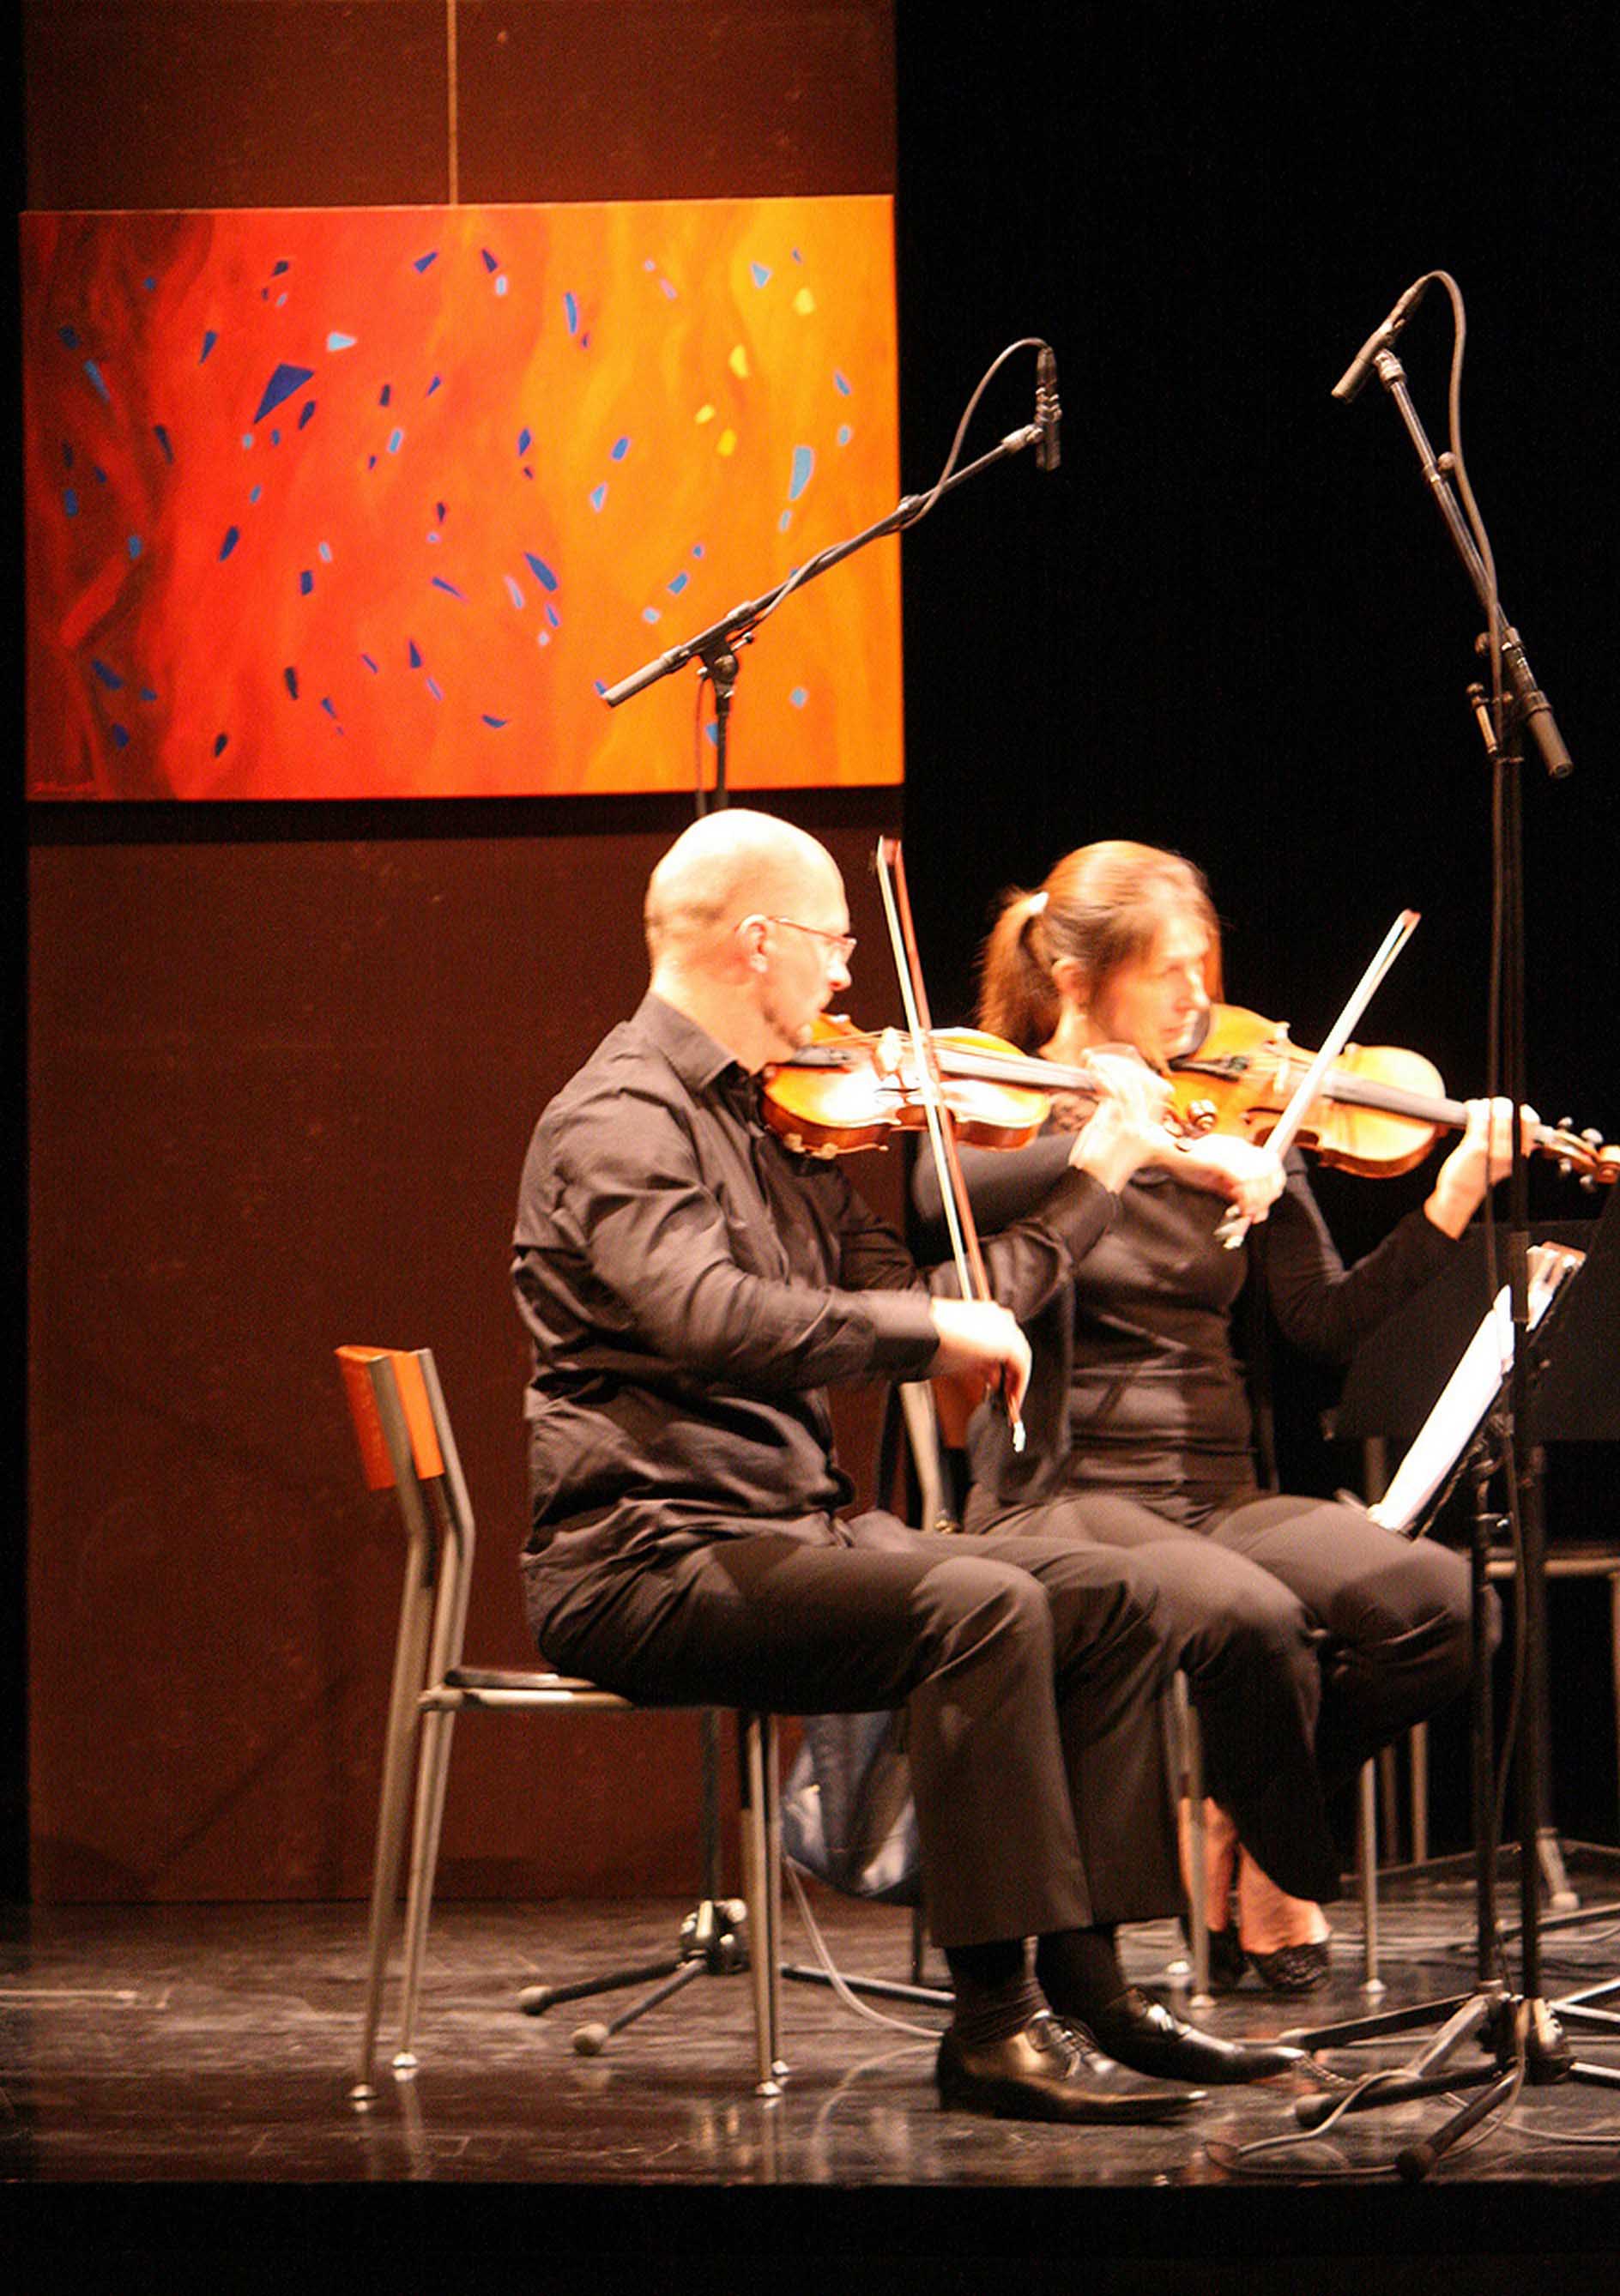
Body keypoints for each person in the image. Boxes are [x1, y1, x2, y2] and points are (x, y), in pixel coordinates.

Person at [512, 807, 1314, 2125]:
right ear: (757, 943)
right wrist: (929, 1332)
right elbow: (705, 1317)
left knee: (1111, 1598)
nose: (848, 976)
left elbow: (944, 1300)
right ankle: (992, 2029)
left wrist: (1098, 1176)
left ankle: (1097, 1987)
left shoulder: (779, 1126)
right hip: (647, 1555)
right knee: (980, 1603)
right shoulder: (619, 1115)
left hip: (791, 1535)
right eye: (833, 945)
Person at [917, 838, 1510, 1993]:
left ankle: (1246, 1819)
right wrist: (1122, 1153)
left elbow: (1323, 1320)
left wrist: (1451, 1200)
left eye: (1205, 967)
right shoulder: (1002, 1113)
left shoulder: (1232, 1114)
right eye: (1169, 971)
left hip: (1215, 1490)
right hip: (1062, 1493)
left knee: (1447, 1609)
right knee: (1257, 1622)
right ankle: (1282, 1865)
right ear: (1079, 979)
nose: (1200, 999)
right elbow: (945, 1214)